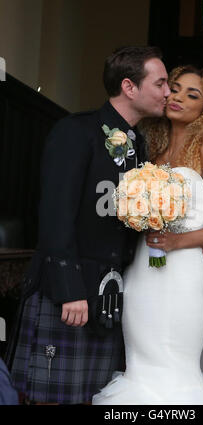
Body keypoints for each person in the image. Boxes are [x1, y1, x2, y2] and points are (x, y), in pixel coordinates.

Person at [93, 66, 203, 405]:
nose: (179, 98)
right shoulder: (151, 154)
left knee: (175, 370)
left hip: (183, 274)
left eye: (193, 94)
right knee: (140, 368)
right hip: (143, 274)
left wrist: (181, 241)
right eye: (175, 88)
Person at [5, 46, 171, 404]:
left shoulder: (138, 145)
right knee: (50, 398)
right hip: (69, 289)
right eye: (160, 83)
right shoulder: (76, 130)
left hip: (108, 294)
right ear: (129, 86)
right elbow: (55, 214)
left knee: (93, 397)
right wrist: (69, 288)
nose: (167, 92)